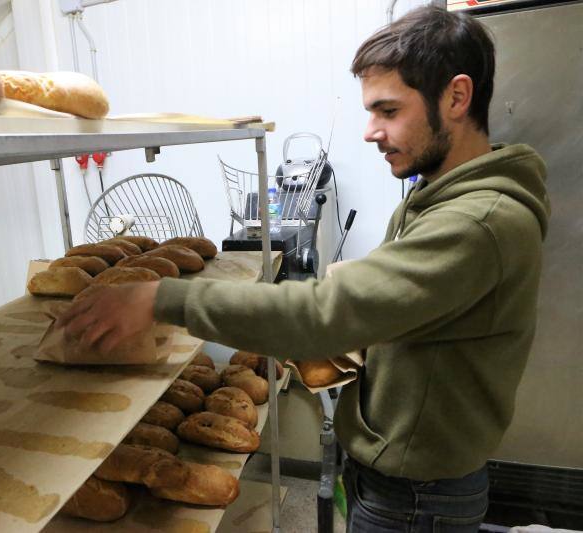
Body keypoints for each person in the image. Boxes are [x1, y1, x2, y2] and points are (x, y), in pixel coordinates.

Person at [59, 5, 550, 532]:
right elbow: (397, 305)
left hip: (416, 496)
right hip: (401, 476)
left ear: (456, 97)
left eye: (387, 111)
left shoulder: (477, 221)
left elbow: (325, 313)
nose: (371, 131)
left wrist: (160, 298)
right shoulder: (435, 196)